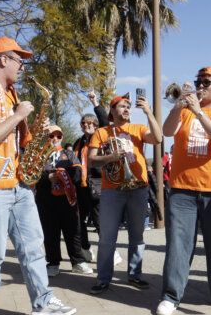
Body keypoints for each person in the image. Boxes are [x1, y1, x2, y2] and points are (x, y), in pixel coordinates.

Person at [0, 38, 75, 315]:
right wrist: (20, 115)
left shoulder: (13, 94)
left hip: (19, 182)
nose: (22, 66)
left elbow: (21, 140)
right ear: (2, 61)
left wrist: (40, 130)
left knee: (32, 246)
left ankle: (43, 301)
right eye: (18, 60)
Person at [157, 67, 211, 315]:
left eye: (207, 82)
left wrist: (198, 113)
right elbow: (167, 132)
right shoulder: (183, 111)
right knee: (178, 245)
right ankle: (171, 296)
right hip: (183, 188)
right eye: (198, 81)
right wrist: (178, 106)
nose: (201, 85)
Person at [89, 93, 163, 293]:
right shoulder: (102, 132)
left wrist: (148, 112)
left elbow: (158, 138)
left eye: (128, 106)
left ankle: (135, 276)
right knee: (107, 237)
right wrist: (111, 157)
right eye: (121, 106)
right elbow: (91, 160)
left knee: (137, 236)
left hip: (137, 187)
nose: (126, 109)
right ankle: (103, 279)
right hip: (112, 189)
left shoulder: (138, 129)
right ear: (112, 111)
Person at [34, 123, 93, 276]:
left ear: (62, 137)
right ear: (46, 138)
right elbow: (32, 175)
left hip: (68, 200)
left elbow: (78, 172)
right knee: (50, 232)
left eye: (58, 136)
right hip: (46, 200)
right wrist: (49, 177)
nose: (55, 139)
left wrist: (66, 176)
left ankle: (78, 262)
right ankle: (53, 263)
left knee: (73, 231)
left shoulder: (69, 154)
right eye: (51, 136)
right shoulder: (39, 155)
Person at [71, 93, 110, 250]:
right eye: (83, 123)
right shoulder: (78, 142)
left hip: (97, 183)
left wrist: (94, 101)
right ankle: (86, 249)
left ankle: (109, 251)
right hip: (81, 186)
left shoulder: (100, 137)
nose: (86, 125)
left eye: (89, 123)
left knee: (99, 219)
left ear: (95, 125)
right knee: (79, 220)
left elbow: (105, 121)